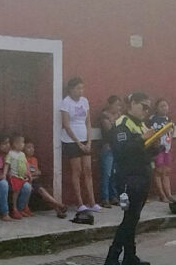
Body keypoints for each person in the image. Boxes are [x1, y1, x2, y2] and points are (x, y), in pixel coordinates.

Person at [103, 91, 164, 265]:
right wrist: (142, 140)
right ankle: (112, 258)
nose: (146, 111)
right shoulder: (122, 124)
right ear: (132, 104)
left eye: (148, 107)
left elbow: (142, 152)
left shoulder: (142, 125)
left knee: (134, 217)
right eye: (143, 106)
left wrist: (155, 146)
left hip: (143, 174)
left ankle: (130, 255)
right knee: (129, 218)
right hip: (128, 177)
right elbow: (121, 151)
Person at [60, 77, 99, 213]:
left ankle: (92, 202)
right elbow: (66, 124)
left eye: (82, 88)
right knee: (77, 171)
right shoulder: (66, 102)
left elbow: (88, 122)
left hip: (85, 139)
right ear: (71, 89)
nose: (81, 91)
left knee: (88, 170)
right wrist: (78, 143)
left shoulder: (84, 101)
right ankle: (80, 202)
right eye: (78, 88)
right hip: (71, 141)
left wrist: (88, 141)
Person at [23, 140, 68, 218]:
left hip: (34, 181)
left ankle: (58, 210)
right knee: (41, 191)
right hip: (27, 181)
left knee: (43, 192)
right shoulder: (23, 159)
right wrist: (33, 174)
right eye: (28, 147)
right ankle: (59, 205)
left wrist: (32, 174)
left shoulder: (34, 159)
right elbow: (27, 174)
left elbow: (37, 173)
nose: (32, 149)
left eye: (33, 147)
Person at [98, 95, 123, 207]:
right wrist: (116, 120)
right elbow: (109, 129)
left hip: (116, 148)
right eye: (117, 105)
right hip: (108, 147)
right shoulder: (104, 116)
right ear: (110, 104)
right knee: (106, 174)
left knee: (114, 173)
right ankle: (105, 198)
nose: (118, 108)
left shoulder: (117, 116)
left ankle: (113, 196)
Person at [148, 98, 175, 203]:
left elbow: (172, 131)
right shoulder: (152, 119)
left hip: (167, 148)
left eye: (166, 105)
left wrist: (170, 139)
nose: (165, 108)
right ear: (157, 108)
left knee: (166, 171)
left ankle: (169, 194)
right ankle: (162, 195)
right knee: (158, 171)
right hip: (157, 148)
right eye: (162, 106)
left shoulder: (169, 119)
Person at [3, 134, 35, 219]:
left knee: (29, 188)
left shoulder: (22, 154)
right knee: (16, 191)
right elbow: (7, 164)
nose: (23, 145)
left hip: (22, 176)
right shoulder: (11, 153)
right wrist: (4, 174)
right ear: (15, 144)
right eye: (21, 143)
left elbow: (26, 164)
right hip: (14, 176)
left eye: (23, 143)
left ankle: (23, 207)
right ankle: (15, 209)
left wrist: (29, 174)